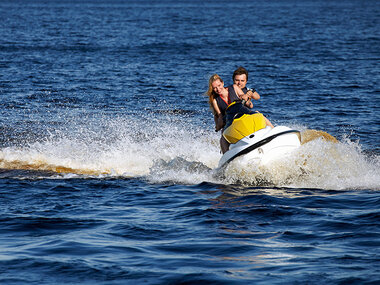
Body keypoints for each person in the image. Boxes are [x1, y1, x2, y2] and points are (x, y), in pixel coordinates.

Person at [206, 74, 273, 153]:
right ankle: (226, 157)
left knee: (258, 114)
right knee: (223, 137)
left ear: (222, 83)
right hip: (230, 121)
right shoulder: (215, 100)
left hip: (243, 114)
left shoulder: (234, 87)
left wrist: (247, 98)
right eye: (214, 88)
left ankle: (274, 131)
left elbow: (243, 97)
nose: (218, 89)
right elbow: (220, 115)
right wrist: (218, 126)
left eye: (219, 85)